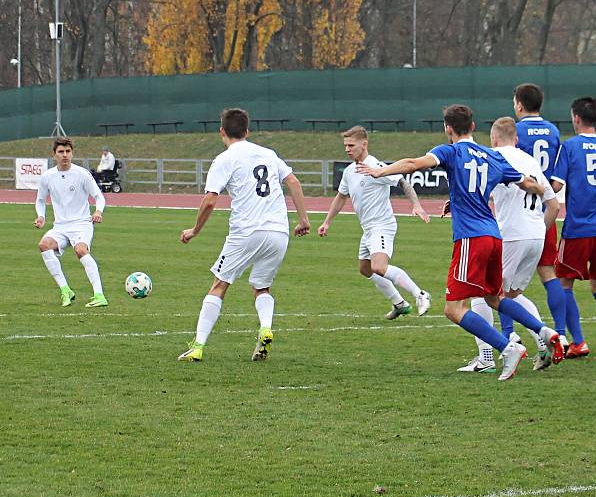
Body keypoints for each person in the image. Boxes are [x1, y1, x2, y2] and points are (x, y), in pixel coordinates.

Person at [357, 104, 564, 381]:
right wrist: (540, 189)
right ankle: (544, 332)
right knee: (495, 297)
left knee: (453, 309)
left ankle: (507, 348)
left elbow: (411, 164)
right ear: (473, 126)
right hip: (494, 235)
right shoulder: (491, 155)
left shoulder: (451, 151)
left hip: (471, 237)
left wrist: (379, 172)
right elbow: (527, 183)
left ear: (448, 129)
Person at [178, 108, 311, 362]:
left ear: (222, 132)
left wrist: (195, 230)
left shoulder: (225, 159)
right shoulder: (268, 154)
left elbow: (209, 201)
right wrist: (303, 219)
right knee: (262, 286)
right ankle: (265, 328)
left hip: (247, 231)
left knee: (219, 285)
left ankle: (198, 346)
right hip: (279, 232)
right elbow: (293, 182)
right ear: (247, 131)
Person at [458, 116, 559, 373]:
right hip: (536, 235)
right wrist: (537, 230)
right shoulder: (530, 160)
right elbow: (554, 204)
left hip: (511, 234)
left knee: (482, 292)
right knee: (512, 294)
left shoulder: (491, 156)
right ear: (516, 138)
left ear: (493, 139)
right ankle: (544, 338)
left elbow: (477, 189)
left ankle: (486, 358)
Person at [318, 125, 432, 319]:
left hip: (382, 226)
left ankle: (420, 294)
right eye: (345, 145)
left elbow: (403, 182)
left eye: (351, 145)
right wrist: (327, 222)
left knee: (379, 267)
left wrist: (416, 205)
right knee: (365, 268)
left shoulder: (376, 166)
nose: (347, 149)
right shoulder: (349, 171)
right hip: (368, 229)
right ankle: (400, 304)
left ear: (364, 144)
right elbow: (341, 197)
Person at [551, 97, 596, 358]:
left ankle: (578, 341)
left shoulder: (569, 147)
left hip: (578, 227)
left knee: (564, 283)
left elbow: (557, 187)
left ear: (576, 118)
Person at [513, 83, 569, 350]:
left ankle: (509, 334)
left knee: (504, 280)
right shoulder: (554, 131)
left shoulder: (515, 131)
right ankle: (561, 333)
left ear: (519, 105)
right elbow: (556, 184)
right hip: (546, 209)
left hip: (520, 211)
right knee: (549, 274)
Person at [34, 137, 108, 308]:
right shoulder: (47, 177)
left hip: (82, 223)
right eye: (61, 152)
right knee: (44, 245)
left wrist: (98, 211)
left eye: (68, 151)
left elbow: (98, 196)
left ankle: (99, 295)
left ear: (72, 153)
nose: (65, 155)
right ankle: (65, 290)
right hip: (60, 227)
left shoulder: (81, 173)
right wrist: (41, 216)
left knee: (81, 250)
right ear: (54, 155)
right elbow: (40, 200)